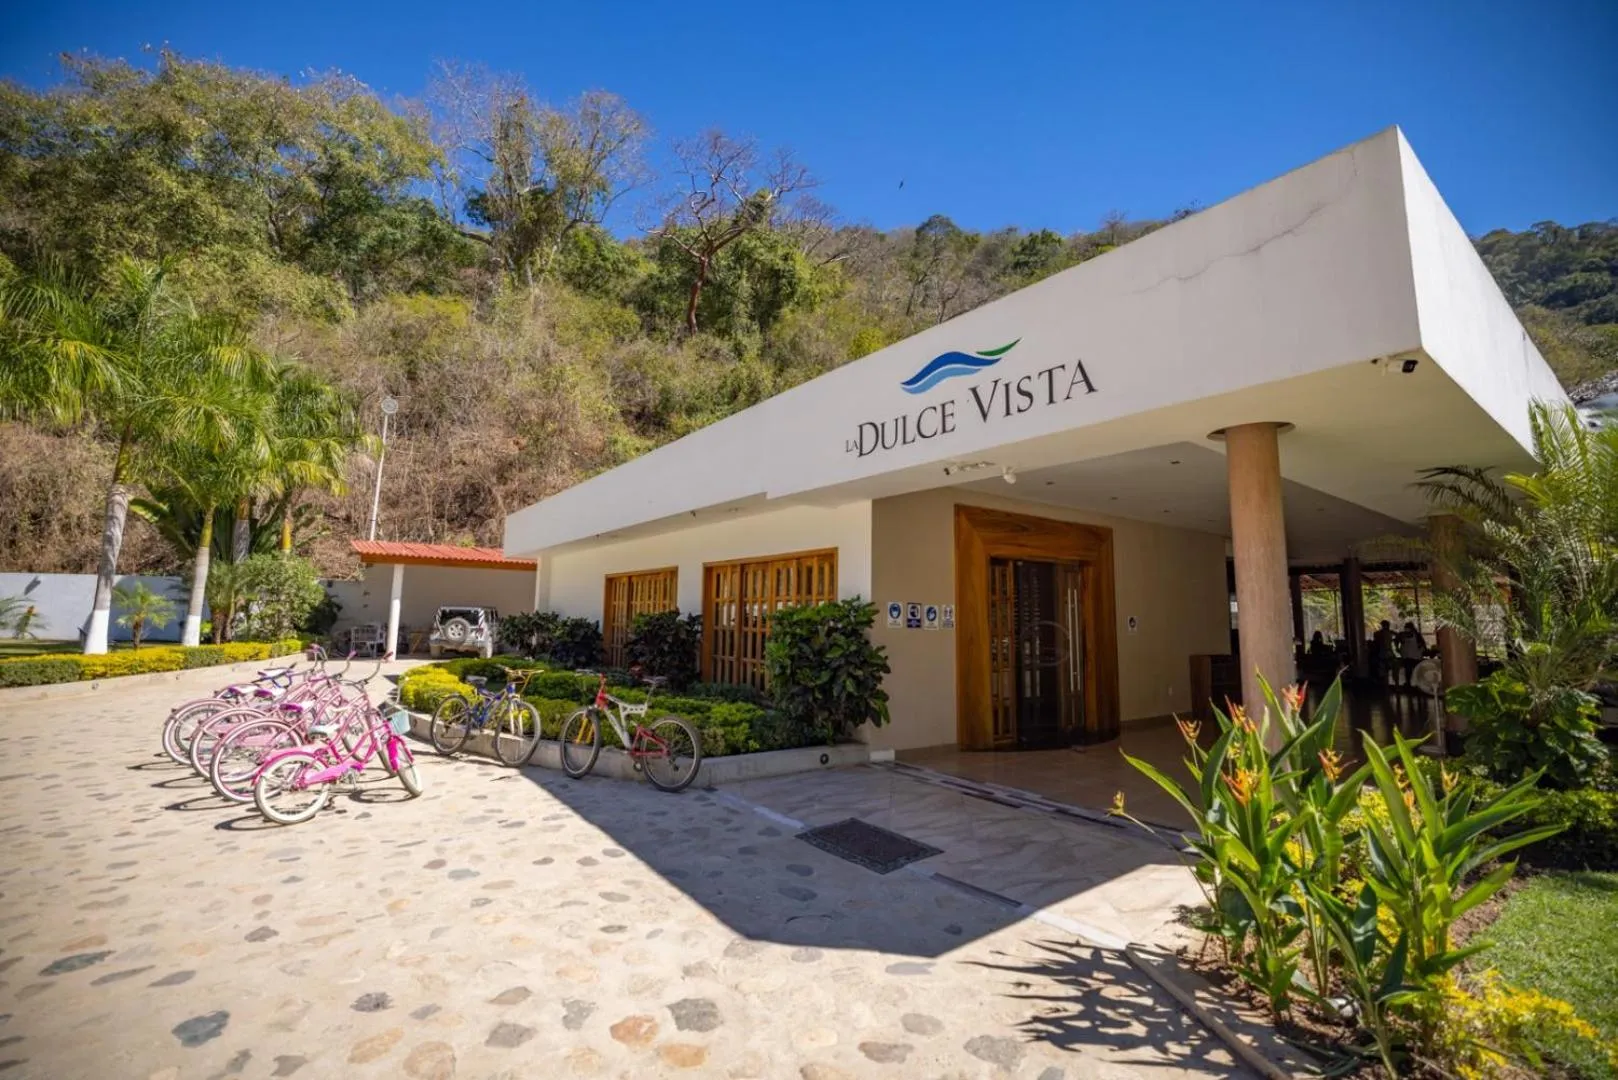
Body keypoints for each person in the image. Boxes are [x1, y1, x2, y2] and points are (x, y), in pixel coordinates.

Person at [1399, 621, 1427, 686]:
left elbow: (1422, 644)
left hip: (1414, 656)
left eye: (1406, 627)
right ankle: (1409, 683)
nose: (1406, 629)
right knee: (1408, 671)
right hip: (1408, 655)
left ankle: (1416, 683)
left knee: (1414, 670)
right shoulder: (1404, 635)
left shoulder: (1416, 635)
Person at [1372, 620, 1396, 684]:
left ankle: (1385, 685)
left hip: (1382, 654)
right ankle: (1391, 684)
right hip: (1387, 653)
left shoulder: (1378, 633)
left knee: (1384, 671)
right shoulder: (1390, 633)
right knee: (1390, 670)